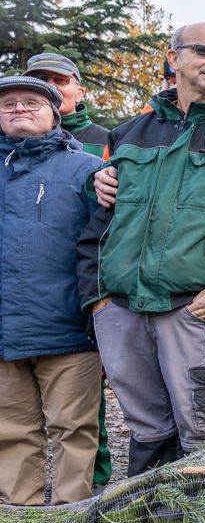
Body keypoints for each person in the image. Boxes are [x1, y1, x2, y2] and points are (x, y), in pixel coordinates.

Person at [76, 22, 205, 476]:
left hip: (192, 310)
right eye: (204, 51)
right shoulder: (127, 135)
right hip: (120, 307)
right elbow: (100, 221)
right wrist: (97, 298)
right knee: (146, 427)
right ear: (173, 56)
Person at [0, 76, 103, 505]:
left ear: (56, 113)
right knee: (11, 432)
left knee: (74, 431)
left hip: (68, 329)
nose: (19, 109)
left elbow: (104, 245)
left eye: (31, 102)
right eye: (8, 105)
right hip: (4, 336)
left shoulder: (87, 170)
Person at [22, 52, 112, 489]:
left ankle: (93, 487)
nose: (53, 88)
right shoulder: (12, 143)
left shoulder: (103, 140)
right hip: (22, 307)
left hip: (76, 303)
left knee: (84, 416)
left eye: (60, 80)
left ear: (77, 89)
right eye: (41, 81)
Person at [23, 53, 108, 159]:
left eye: (60, 80)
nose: (50, 86)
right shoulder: (11, 139)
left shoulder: (105, 142)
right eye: (40, 80)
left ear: (79, 94)